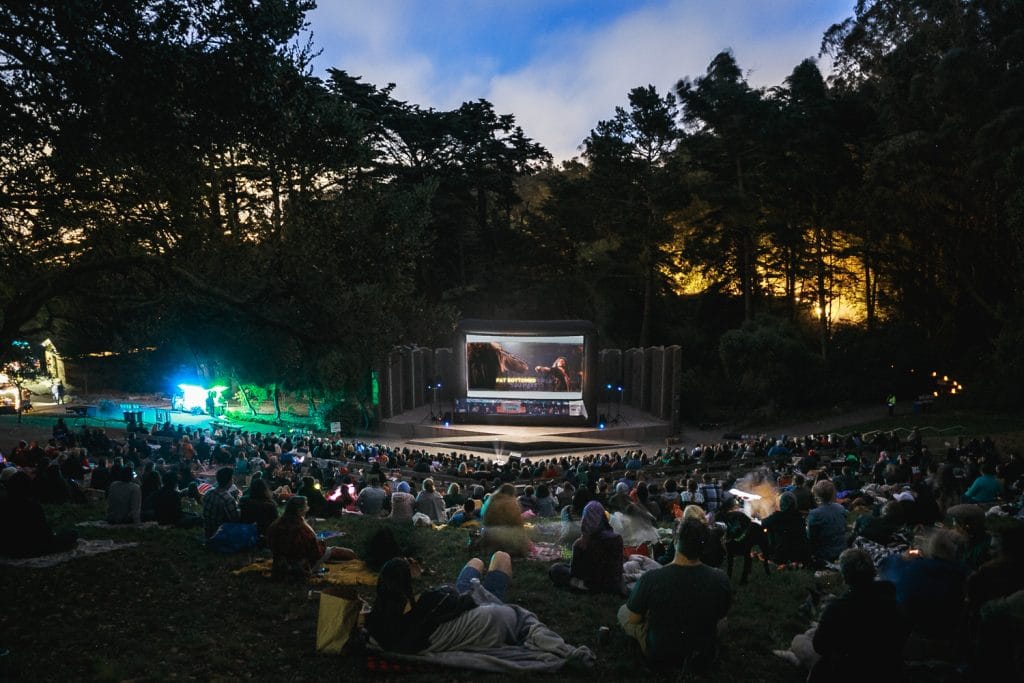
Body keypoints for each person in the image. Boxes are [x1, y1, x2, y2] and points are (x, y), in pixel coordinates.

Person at [619, 517, 733, 673]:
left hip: (660, 652)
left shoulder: (652, 578)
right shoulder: (720, 578)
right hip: (702, 652)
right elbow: (722, 614)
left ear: (675, 542)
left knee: (624, 612)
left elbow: (634, 619)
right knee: (723, 622)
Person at [809, 548, 909, 682]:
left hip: (849, 672)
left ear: (845, 577)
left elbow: (820, 647)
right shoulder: (891, 597)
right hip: (890, 670)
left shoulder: (838, 608)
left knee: (799, 641)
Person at [266, 496, 356, 579]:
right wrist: (321, 542)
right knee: (349, 553)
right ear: (299, 510)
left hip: (280, 564)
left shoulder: (275, 524)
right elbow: (315, 552)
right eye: (306, 506)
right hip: (301, 565)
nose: (308, 508)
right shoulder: (301, 528)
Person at [549, 501, 624, 595]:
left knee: (556, 568)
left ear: (585, 518)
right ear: (603, 517)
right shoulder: (617, 539)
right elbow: (618, 569)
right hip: (612, 585)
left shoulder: (580, 543)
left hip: (591, 584)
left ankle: (581, 586)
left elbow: (575, 573)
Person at [0, 470, 78, 557]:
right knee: (72, 534)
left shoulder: (2, 503)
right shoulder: (32, 507)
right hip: (30, 548)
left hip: (6, 547)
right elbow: (44, 534)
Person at [761, 491, 810, 566]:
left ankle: (770, 552)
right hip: (799, 555)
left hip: (781, 556)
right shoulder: (799, 517)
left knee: (768, 529)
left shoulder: (777, 516)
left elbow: (763, 524)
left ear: (781, 503)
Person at [806, 480, 847, 565]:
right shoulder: (841, 508)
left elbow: (811, 538)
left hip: (825, 554)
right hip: (842, 549)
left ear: (816, 495)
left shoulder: (815, 514)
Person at [202, 467, 240, 538]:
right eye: (232, 478)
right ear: (229, 481)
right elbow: (235, 520)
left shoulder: (208, 493)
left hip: (207, 532)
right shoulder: (228, 499)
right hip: (219, 535)